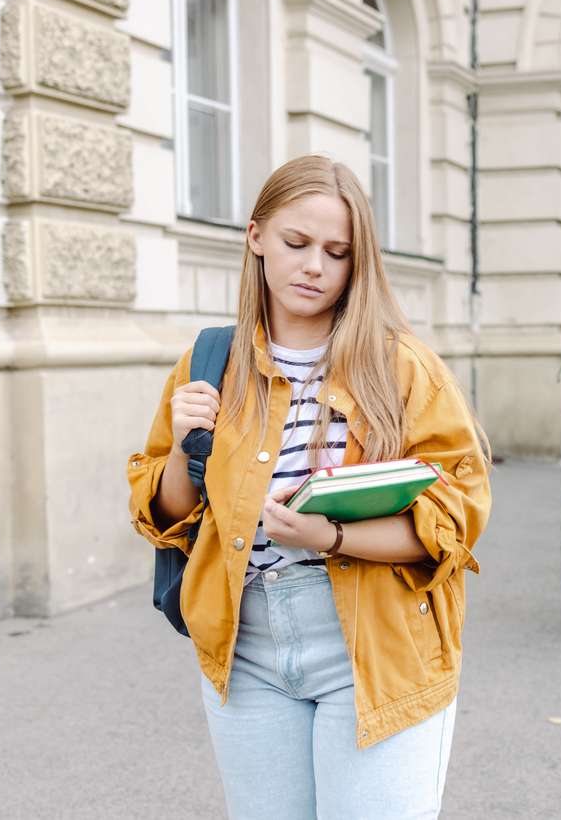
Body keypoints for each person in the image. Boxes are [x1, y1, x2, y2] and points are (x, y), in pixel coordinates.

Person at [127, 156, 491, 819]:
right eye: (296, 243)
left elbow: (456, 515)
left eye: (336, 252)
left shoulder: (401, 369)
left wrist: (330, 534)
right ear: (256, 236)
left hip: (376, 647)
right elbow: (169, 517)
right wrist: (183, 446)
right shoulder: (208, 362)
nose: (314, 267)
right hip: (248, 648)